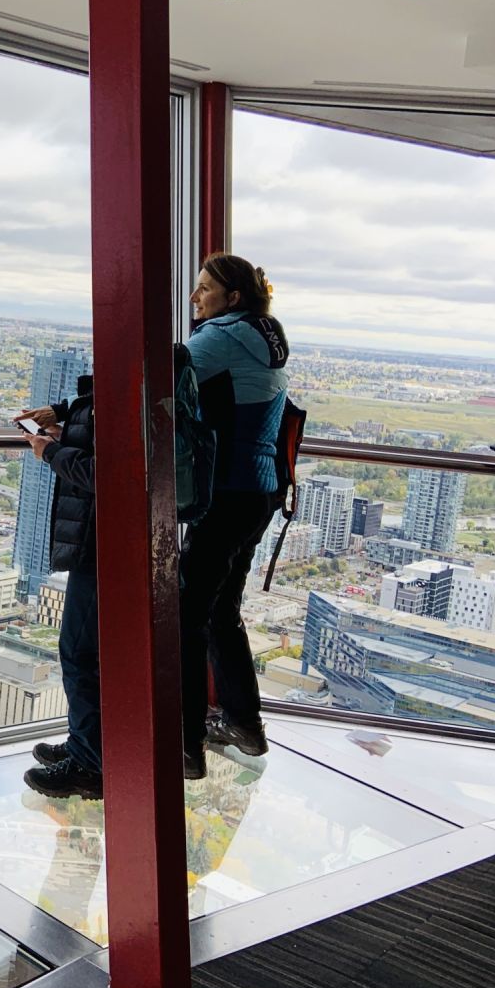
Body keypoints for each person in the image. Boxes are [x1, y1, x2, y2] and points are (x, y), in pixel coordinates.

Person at [181, 253, 289, 779]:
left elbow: (150, 382)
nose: (195, 298)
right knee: (221, 609)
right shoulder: (266, 340)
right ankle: (244, 722)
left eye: (205, 288)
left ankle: (182, 743)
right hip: (259, 491)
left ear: (234, 297)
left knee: (186, 613)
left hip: (225, 492)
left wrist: (68, 414)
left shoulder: (221, 338)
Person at [18, 375, 104, 800]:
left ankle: (90, 764)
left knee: (80, 653)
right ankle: (86, 745)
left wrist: (51, 450)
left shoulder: (128, 386)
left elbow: (105, 473)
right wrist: (63, 424)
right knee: (86, 653)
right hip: (102, 539)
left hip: (101, 541)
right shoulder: (129, 385)